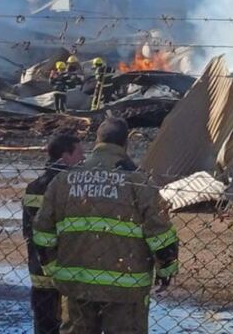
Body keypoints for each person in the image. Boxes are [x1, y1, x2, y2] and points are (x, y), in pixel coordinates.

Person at [33, 119, 179, 334]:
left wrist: (54, 269)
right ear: (125, 144)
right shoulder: (137, 181)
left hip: (76, 284)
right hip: (126, 288)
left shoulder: (65, 180)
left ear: (97, 141)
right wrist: (166, 270)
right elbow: (160, 232)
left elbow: (42, 230)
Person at [23, 135, 85, 334]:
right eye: (79, 154)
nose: (83, 159)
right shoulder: (74, 188)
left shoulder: (33, 187)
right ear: (65, 156)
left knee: (44, 324)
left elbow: (28, 231)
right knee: (73, 323)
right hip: (71, 269)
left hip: (40, 268)